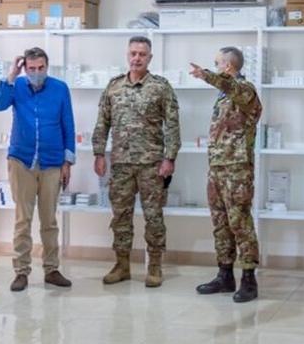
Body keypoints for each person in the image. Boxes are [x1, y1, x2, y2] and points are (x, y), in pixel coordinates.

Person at [93, 36, 180, 287]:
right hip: (121, 163)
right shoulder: (114, 87)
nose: (137, 58)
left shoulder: (160, 87)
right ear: (127, 55)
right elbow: (102, 122)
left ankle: (154, 266)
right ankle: (122, 265)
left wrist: (170, 157)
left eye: (142, 54)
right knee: (120, 216)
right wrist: (99, 153)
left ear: (150, 58)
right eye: (133, 53)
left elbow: (172, 125)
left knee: (154, 216)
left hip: (151, 164)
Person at [0, 47, 75, 292]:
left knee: (49, 220)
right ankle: (21, 271)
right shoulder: (16, 85)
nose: (36, 73)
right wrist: (10, 76)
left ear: (47, 67)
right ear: (24, 68)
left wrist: (67, 162)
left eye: (41, 68)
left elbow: (68, 124)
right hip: (21, 161)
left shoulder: (60, 88)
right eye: (31, 69)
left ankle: (51, 269)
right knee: (22, 220)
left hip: (52, 162)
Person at [190, 47, 263, 303]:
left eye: (217, 63)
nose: (215, 67)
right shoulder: (223, 97)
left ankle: (249, 280)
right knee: (220, 223)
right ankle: (225, 275)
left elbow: (231, 86)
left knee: (239, 223)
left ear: (228, 66)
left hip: (237, 170)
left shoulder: (245, 90)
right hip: (218, 168)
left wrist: (206, 75)